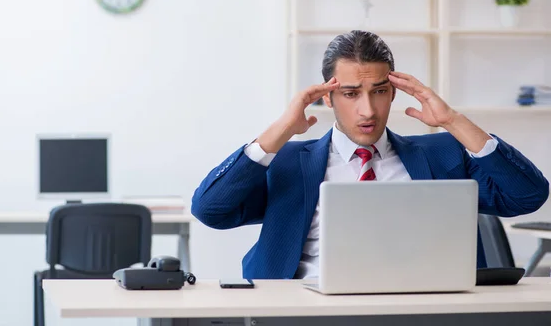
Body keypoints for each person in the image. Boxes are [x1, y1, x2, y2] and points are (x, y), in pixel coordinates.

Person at [191, 30, 549, 279]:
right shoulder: (286, 161)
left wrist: (453, 121)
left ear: (393, 93)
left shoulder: (443, 154)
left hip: (419, 309)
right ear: (327, 98)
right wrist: (280, 131)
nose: (368, 110)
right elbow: (211, 210)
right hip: (305, 308)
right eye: (350, 94)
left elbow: (528, 195)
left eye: (379, 91)